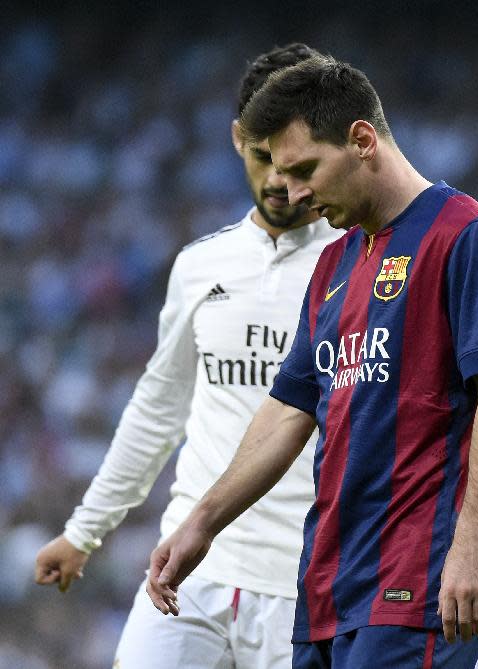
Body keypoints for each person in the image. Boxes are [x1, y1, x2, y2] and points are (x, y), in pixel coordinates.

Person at [145, 54, 478, 669]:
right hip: (325, 588)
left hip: (414, 584)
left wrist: (476, 543)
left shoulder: (466, 236)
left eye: (304, 170)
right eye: (278, 171)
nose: (292, 193)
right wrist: (203, 521)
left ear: (361, 140)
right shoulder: (333, 265)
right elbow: (290, 408)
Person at [34, 43, 339, 668]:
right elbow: (159, 407)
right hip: (187, 570)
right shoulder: (202, 265)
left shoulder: (359, 266)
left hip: (303, 586)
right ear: (237, 139)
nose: (279, 182)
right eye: (262, 157)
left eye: (294, 162)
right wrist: (84, 530)